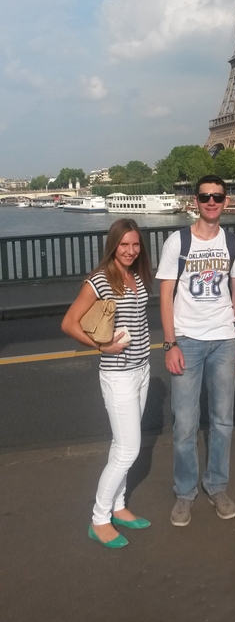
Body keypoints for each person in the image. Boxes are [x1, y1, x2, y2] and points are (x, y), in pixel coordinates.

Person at [156, 175, 235, 527]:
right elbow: (165, 295)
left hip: (225, 339)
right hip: (187, 340)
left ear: (226, 201)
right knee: (184, 423)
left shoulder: (234, 244)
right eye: (205, 196)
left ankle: (216, 485)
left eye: (218, 196)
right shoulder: (177, 242)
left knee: (223, 420)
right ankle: (185, 492)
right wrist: (170, 343)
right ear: (195, 201)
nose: (211, 202)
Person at [61, 218, 152, 548]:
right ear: (113, 245)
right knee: (128, 450)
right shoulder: (99, 280)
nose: (130, 250)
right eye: (124, 244)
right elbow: (69, 323)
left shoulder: (136, 276)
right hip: (118, 374)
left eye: (135, 244)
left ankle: (118, 505)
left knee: (121, 444)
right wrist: (101, 346)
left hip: (141, 369)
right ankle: (99, 519)